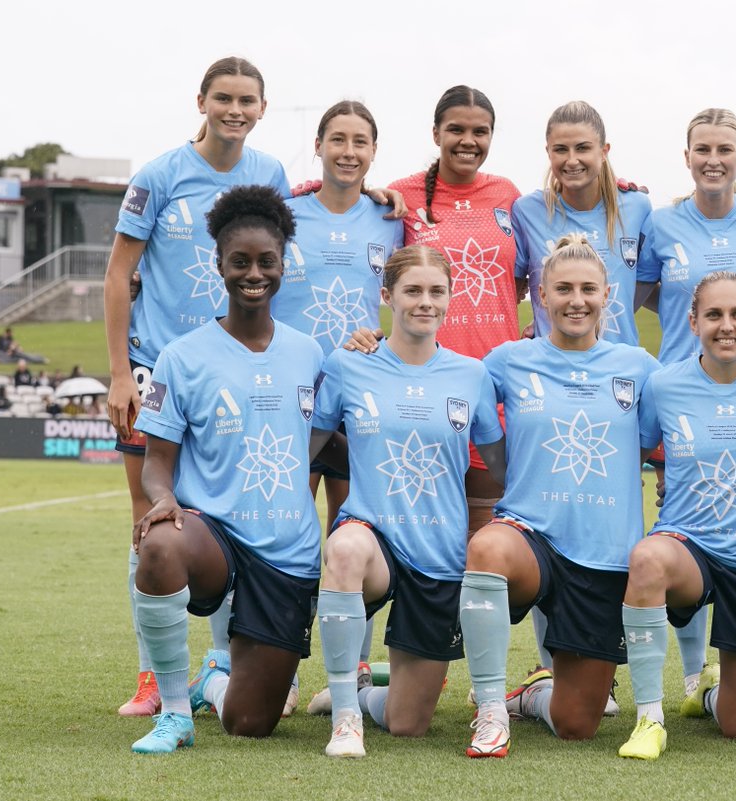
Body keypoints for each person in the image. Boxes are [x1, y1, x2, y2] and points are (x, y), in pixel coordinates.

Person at [103, 57, 291, 719]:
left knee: (230, 512)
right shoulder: (159, 175)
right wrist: (123, 371)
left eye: (247, 100)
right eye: (223, 98)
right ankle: (153, 674)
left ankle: (222, 663)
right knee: (149, 519)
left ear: (263, 108)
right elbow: (118, 272)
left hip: (234, 372)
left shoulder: (270, 174)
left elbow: (291, 239)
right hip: (158, 367)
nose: (234, 110)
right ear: (202, 101)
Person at [129, 185, 323, 754]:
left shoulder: (310, 353)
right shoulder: (181, 356)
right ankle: (171, 713)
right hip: (214, 535)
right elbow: (156, 464)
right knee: (160, 545)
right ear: (219, 264)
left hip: (286, 551)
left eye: (266, 261)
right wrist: (162, 498)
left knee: (250, 722)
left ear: (284, 264)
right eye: (240, 261)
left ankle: (210, 684)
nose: (254, 273)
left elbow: (328, 441)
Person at [461, 235, 659, 759]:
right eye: (563, 289)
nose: (576, 300)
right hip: (531, 536)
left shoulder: (639, 367)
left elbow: (700, 399)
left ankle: (532, 697)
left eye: (588, 289)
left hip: (604, 552)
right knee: (487, 549)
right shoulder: (505, 362)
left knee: (577, 724)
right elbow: (479, 430)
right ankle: (490, 710)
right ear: (540, 296)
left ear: (607, 295)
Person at [310, 246, 505, 757]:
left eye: (436, 291)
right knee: (346, 549)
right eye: (412, 291)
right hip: (373, 537)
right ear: (386, 296)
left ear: (449, 297)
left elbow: (499, 465)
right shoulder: (349, 364)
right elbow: (307, 442)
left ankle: (353, 696)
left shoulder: (472, 374)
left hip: (438, 554)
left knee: (408, 723)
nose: (425, 302)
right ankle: (346, 723)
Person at [617, 272, 736, 760]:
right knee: (647, 559)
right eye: (714, 315)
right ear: (693, 321)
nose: (727, 326)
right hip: (688, 547)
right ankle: (649, 718)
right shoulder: (664, 384)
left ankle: (706, 695)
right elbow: (634, 452)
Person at [635, 107, 736, 710]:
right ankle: (694, 673)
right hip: (681, 397)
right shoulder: (662, 222)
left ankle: (728, 677)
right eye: (702, 149)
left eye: (725, 148)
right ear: (687, 156)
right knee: (680, 520)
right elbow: (640, 293)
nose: (713, 159)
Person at [386, 85, 521, 538]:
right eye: (456, 130)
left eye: (480, 132)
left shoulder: (508, 194)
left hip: (492, 390)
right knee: (420, 541)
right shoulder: (400, 196)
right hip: (423, 390)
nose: (468, 140)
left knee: (482, 551)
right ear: (435, 133)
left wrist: (616, 181)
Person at [272, 100, 404, 536]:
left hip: (357, 388)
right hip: (292, 388)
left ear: (374, 151)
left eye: (360, 142)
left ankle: (341, 607)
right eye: (338, 140)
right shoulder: (284, 214)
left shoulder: (391, 220)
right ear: (318, 146)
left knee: (351, 528)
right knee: (287, 522)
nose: (349, 152)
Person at [513, 101, 652, 346]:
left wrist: (594, 317)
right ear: (548, 152)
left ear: (604, 151)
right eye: (561, 150)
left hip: (617, 366)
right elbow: (513, 289)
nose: (572, 160)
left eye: (583, 148)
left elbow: (645, 281)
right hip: (550, 368)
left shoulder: (637, 207)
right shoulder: (527, 212)